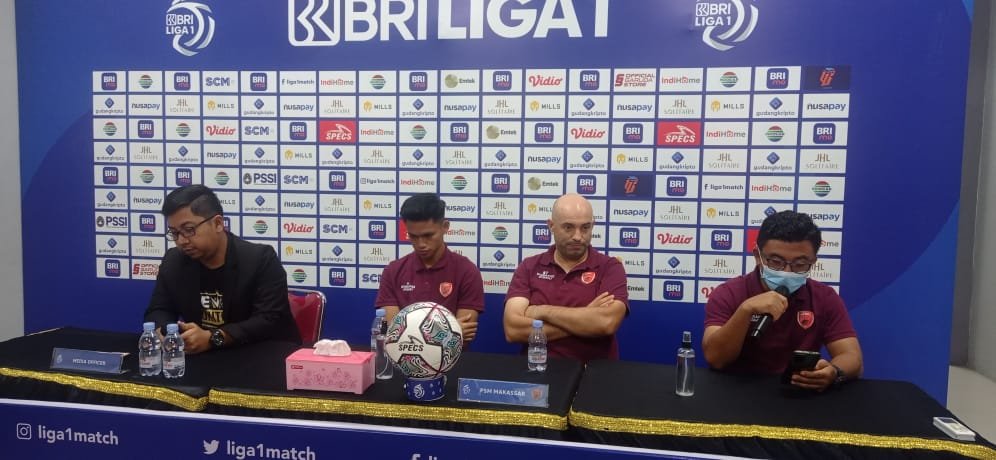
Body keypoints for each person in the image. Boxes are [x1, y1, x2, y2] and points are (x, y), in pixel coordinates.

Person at [702, 210, 863, 391]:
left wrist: (834, 371)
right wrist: (745, 310)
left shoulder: (825, 297)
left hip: (798, 393)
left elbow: (852, 357)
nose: (787, 272)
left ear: (813, 261)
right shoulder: (728, 293)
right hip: (735, 393)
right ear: (758, 256)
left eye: (800, 264)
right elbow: (716, 359)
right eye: (776, 261)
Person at [144, 185, 300, 353]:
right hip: (203, 357)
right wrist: (168, 332)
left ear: (218, 223)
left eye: (189, 230)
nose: (181, 241)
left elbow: (269, 320)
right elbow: (158, 310)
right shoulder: (174, 261)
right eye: (174, 233)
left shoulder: (260, 259)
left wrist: (213, 337)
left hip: (261, 354)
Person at [502, 193, 628, 362]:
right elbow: (513, 330)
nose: (577, 236)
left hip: (594, 372)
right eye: (568, 227)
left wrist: (541, 311)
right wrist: (586, 317)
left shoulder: (610, 267)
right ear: (551, 226)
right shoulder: (529, 267)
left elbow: (606, 323)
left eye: (585, 228)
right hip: (539, 370)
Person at [374, 193, 484, 343]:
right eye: (413, 236)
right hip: (401, 357)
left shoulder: (467, 271)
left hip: (453, 359)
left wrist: (411, 332)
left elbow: (462, 339)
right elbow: (393, 334)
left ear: (445, 227)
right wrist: (448, 331)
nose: (421, 244)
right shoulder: (392, 271)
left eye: (428, 235)